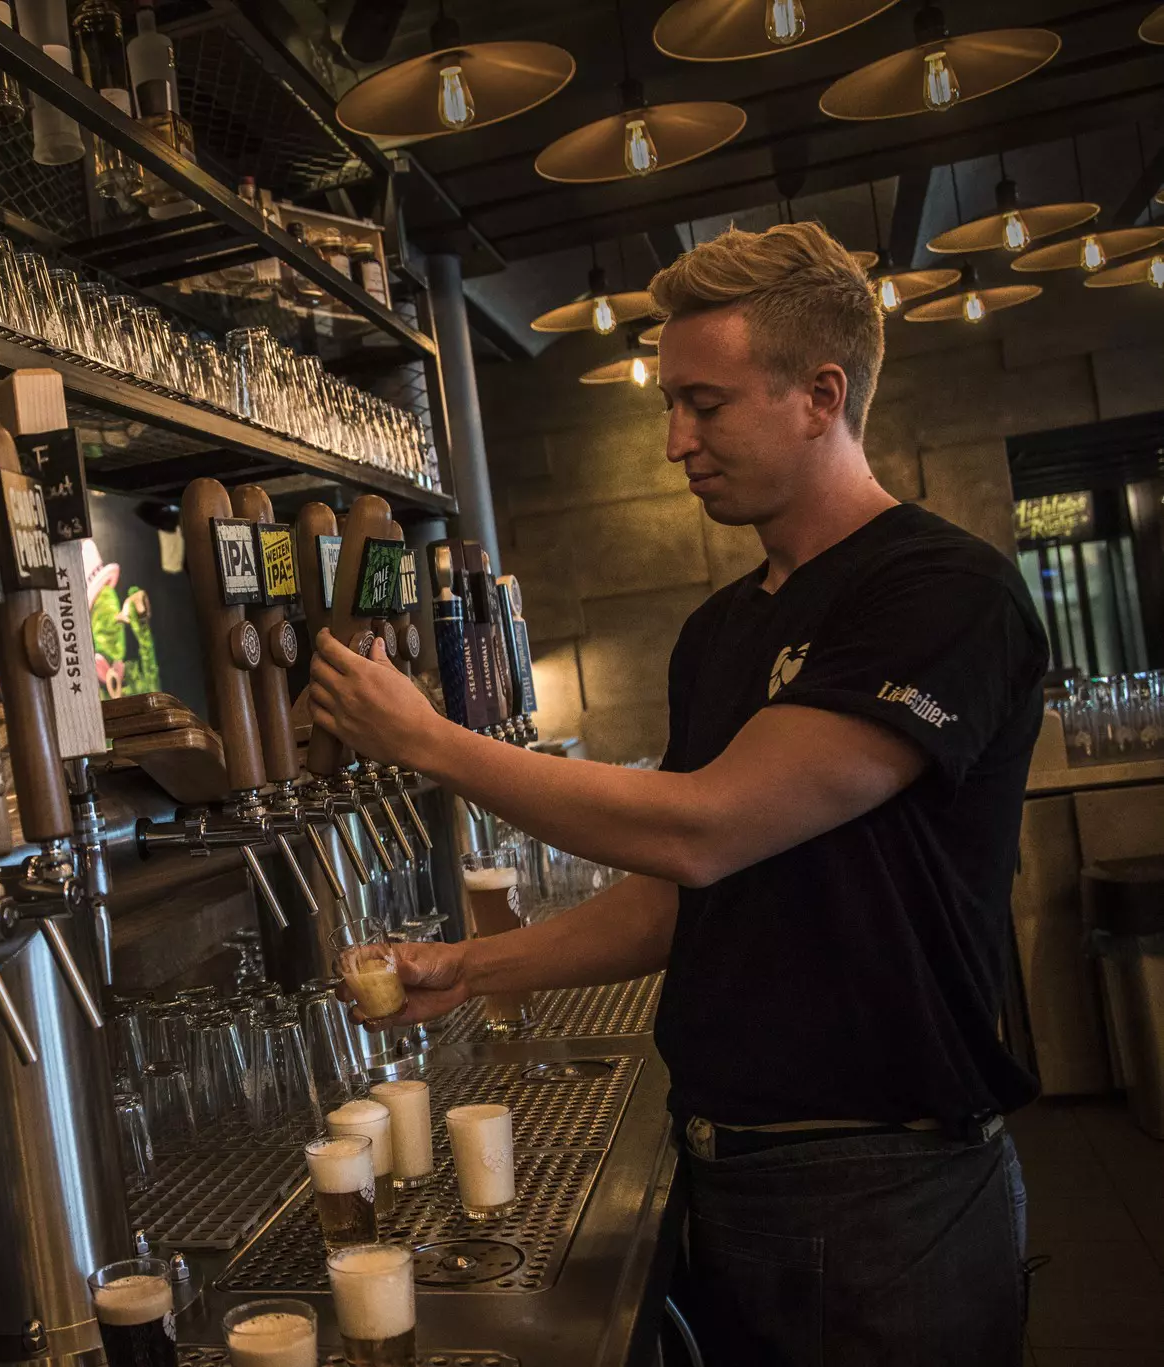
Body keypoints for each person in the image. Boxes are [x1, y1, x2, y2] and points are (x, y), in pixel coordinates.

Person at [306, 222, 1046, 1367]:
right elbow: (672, 901)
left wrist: (433, 742)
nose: (673, 442)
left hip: (886, 1187)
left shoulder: (941, 591)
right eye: (669, 406)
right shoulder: (722, 628)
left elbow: (706, 828)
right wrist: (467, 967)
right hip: (732, 1166)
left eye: (704, 404)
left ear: (820, 393)